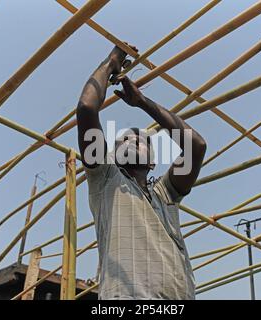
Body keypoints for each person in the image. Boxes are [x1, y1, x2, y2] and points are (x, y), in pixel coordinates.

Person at [76, 44, 206, 300]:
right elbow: (86, 108)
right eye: (126, 139)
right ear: (111, 155)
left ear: (153, 163)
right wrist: (111, 62)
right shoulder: (105, 179)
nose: (136, 140)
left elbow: (196, 146)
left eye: (145, 141)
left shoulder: (165, 194)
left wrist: (143, 102)